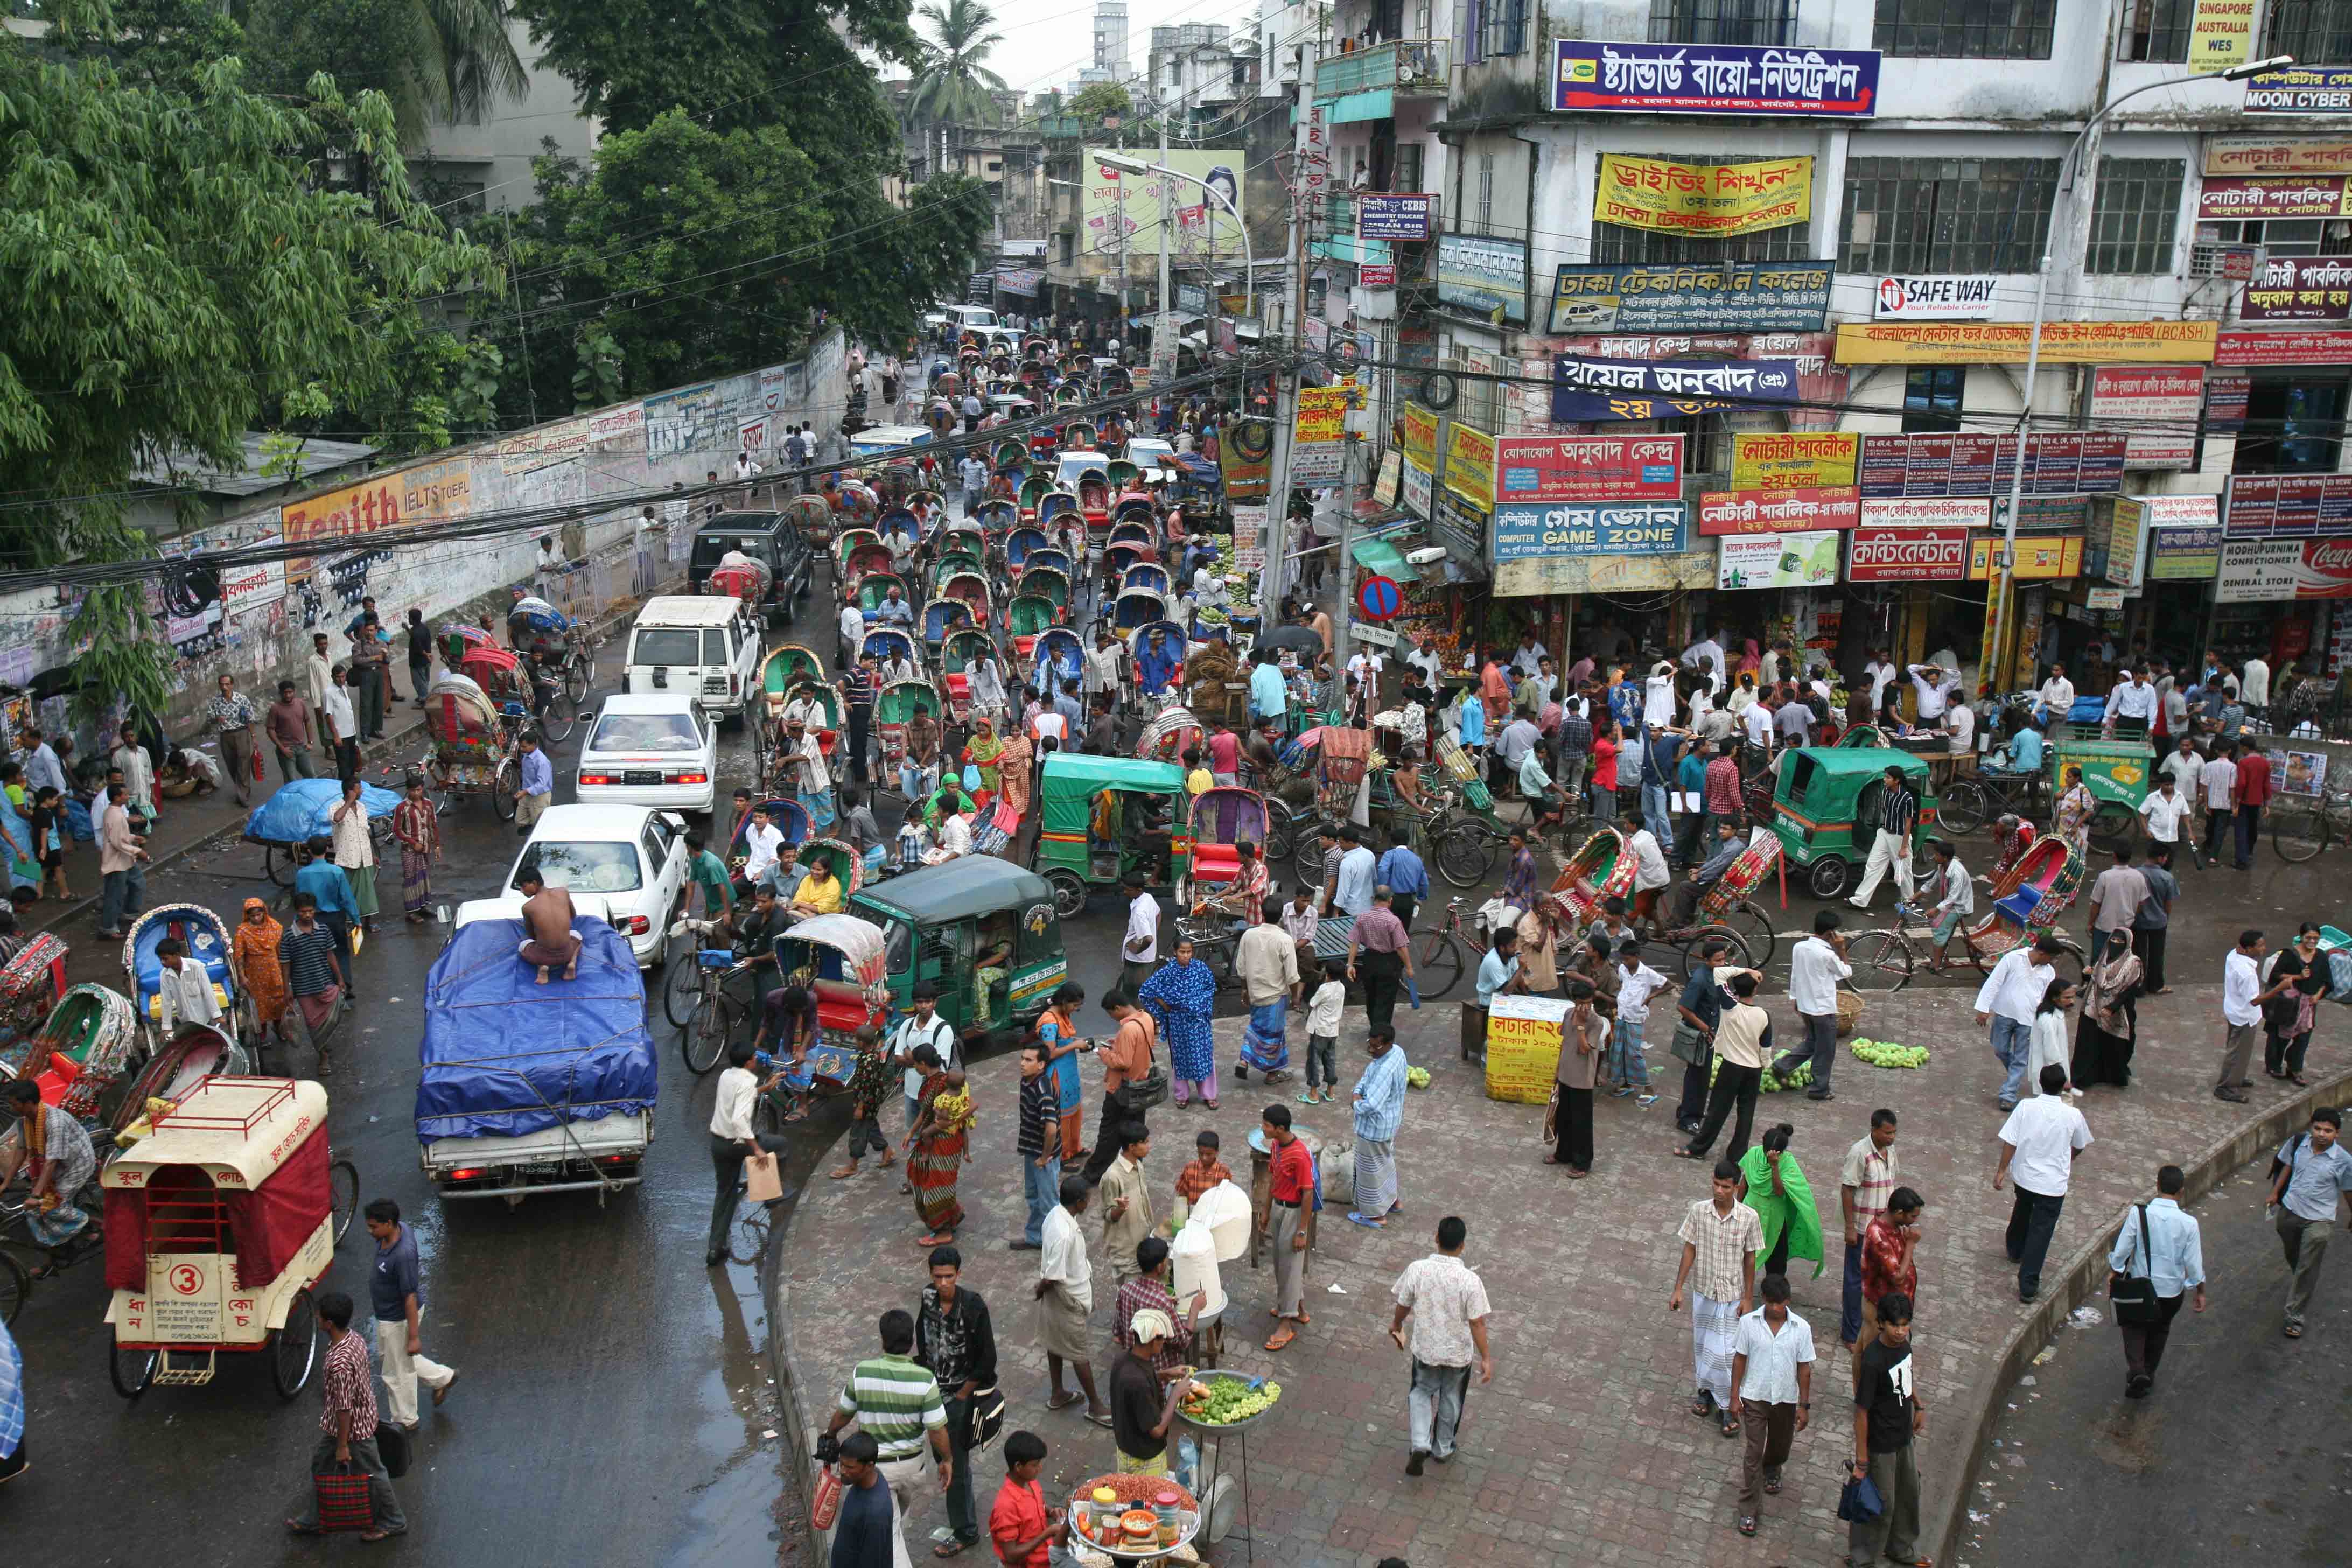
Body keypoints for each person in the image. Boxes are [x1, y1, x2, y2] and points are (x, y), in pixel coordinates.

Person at [825, 1308, 954, 1561]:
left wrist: (830, 1434)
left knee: (890, 1534)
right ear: (911, 1342)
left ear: (883, 1340)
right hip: (912, 1471)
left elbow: (844, 1413)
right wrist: (947, 1460)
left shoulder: (863, 1372)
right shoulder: (925, 1380)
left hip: (876, 1470)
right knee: (893, 1521)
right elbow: (937, 1431)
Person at [282, 1292, 405, 1541]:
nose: (317, 1318)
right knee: (321, 1465)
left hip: (352, 1430)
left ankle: (394, 1520)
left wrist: (342, 1445)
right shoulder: (353, 1338)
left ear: (329, 1323)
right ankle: (316, 1518)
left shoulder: (339, 1363)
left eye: (319, 1316)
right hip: (355, 1420)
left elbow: (344, 1408)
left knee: (374, 1472)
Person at [1389, 1215, 1494, 1476]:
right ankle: (1443, 1448)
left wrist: (1397, 1325)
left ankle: (1420, 1442)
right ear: (1463, 1246)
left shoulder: (1418, 1269)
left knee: (1421, 1392)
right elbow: (1477, 1323)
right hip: (1458, 1355)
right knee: (1451, 1398)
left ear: (1436, 1238)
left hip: (1426, 1349)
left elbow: (1403, 1303)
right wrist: (1486, 1358)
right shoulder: (1470, 1281)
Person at [914, 1245, 998, 1557]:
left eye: (949, 1277)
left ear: (958, 1275)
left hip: (960, 1398)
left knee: (956, 1464)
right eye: (938, 1277)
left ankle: (966, 1531)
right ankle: (962, 1511)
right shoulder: (927, 1298)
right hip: (933, 1393)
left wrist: (963, 1395)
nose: (943, 1283)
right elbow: (922, 1338)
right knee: (945, 1457)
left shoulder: (973, 1306)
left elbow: (988, 1358)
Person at [1670, 1158, 1762, 1438]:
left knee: (1725, 1354)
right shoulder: (1699, 1212)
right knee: (1703, 1347)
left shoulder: (1749, 1218)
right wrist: (1678, 1288)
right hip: (1704, 1293)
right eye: (1716, 1184)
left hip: (1733, 1297)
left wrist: (1748, 1297)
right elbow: (1690, 1250)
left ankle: (1727, 1406)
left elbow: (1750, 1259)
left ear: (1737, 1187)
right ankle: (1706, 1392)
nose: (1719, 1191)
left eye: (1726, 1187)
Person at [1995, 1064, 2094, 1302]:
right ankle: (2028, 1284)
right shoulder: (2073, 1115)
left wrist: (2001, 1171)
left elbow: (2011, 1141)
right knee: (2041, 1232)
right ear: (2063, 1087)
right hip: (2053, 1185)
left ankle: (2015, 1249)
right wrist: (2068, 1158)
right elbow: (2080, 1145)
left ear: (2040, 1083)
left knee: (2022, 1209)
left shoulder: (2025, 1107)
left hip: (2025, 1177)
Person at [2109, 1164, 2206, 1398]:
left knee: (2133, 1326)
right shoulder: (2190, 1224)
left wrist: (2115, 1271)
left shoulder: (2139, 1214)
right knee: (2160, 1331)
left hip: (2141, 1288)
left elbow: (2122, 1250)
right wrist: (2200, 1290)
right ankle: (2148, 1373)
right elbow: (2194, 1265)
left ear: (2157, 1185)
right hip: (2171, 1293)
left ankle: (2137, 1370)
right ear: (2181, 1192)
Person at [1728, 1273, 1814, 1541]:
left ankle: (1774, 1467)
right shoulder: (1748, 1324)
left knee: (1780, 1445)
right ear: (1763, 1299)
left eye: (1780, 1303)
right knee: (1753, 1452)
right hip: (1754, 1397)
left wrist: (1804, 1405)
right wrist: (1734, 1396)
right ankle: (1749, 1509)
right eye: (1770, 1302)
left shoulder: (1801, 1329)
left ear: (1788, 1301)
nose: (1775, 1308)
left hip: (1786, 1400)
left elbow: (1804, 1369)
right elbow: (1740, 1359)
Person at [363, 1198, 457, 1431]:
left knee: (396, 1372)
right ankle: (443, 1378)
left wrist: (414, 1336)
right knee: (400, 1358)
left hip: (398, 1319)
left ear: (389, 1223)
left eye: (374, 1227)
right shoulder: (398, 1230)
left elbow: (410, 1298)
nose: (370, 1231)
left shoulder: (402, 1256)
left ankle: (406, 1420)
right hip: (390, 1317)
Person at [1846, 1291, 1924, 1568]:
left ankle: (1900, 1548)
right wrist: (1862, 1460)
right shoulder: (1873, 1361)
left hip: (1904, 1438)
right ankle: (1862, 1557)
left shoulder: (1905, 1347)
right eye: (1895, 1325)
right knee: (1881, 1503)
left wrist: (1919, 1406)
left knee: (1909, 1494)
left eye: (1905, 1325)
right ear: (1881, 1324)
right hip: (1881, 1445)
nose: (1901, 1331)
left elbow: (1906, 1376)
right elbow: (1862, 1412)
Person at [2271, 1106, 2352, 1339]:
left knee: (2307, 1265)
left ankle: (2295, 1315)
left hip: (2319, 1220)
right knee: (2295, 1256)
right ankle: (2303, 1281)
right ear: (2311, 1127)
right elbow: (2288, 1166)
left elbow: (2348, 1190)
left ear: (2337, 1134)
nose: (2322, 1134)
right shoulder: (2298, 1144)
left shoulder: (2344, 1161)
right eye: (2318, 1128)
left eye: (2328, 1131)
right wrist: (2275, 1193)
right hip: (2290, 1211)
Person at [707, 1039, 789, 1266]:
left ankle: (715, 1248)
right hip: (738, 1143)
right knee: (781, 1145)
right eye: (754, 1057)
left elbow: (742, 1095)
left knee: (725, 1194)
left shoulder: (726, 1075)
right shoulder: (747, 1081)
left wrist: (766, 1087)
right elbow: (740, 1121)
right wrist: (757, 1149)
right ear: (748, 1062)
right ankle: (772, 1196)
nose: (756, 1060)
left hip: (718, 1143)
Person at [1034, 1174, 1108, 1423]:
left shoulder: (1055, 1215)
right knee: (1079, 1353)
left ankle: (1058, 1393)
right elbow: (1053, 1276)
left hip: (1060, 1293)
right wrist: (1039, 1290)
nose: (1089, 1202)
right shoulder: (1065, 1233)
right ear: (1079, 1202)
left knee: (1054, 1341)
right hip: (1067, 1298)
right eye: (1087, 1199)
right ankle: (1096, 1406)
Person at [1676, 971, 1772, 1161]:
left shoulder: (1729, 1007)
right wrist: (1764, 1066)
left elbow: (1719, 973)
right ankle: (1737, 1155)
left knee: (1717, 1110)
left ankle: (1698, 1149)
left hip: (1732, 1068)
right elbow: (1766, 1047)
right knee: (1746, 1113)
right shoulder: (1764, 1015)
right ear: (1755, 990)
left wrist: (1747, 970)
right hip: (1754, 1070)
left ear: (1735, 989)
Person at [1, 1076, 97, 1264]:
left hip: (77, 1165)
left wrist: (36, 1196)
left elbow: (51, 1162)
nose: (11, 1109)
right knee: (34, 1212)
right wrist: (5, 1184)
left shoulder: (55, 1122)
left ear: (29, 1103)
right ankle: (62, 1247)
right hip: (57, 1166)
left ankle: (88, 1228)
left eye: (14, 1105)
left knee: (50, 1207)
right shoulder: (25, 1121)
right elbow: (21, 1152)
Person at [1975, 933, 2066, 1112]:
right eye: (2051, 957)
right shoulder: (2013, 959)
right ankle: (2016, 1075)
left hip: (2029, 1020)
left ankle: (2008, 1095)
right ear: (2042, 954)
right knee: (2000, 1050)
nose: (2052, 961)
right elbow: (1994, 982)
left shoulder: (2049, 972)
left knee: (2021, 1059)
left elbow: (2046, 997)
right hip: (2004, 1014)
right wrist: (1983, 1008)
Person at [1776, 909, 1850, 1099]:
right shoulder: (1827, 955)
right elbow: (1845, 972)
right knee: (1826, 1049)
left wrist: (1795, 997)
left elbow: (1795, 974)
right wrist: (1842, 950)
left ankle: (1782, 1066)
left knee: (1812, 1042)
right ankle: (1819, 1089)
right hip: (1823, 1010)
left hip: (1805, 1006)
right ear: (1831, 933)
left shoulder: (1799, 947)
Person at [1108, 1308, 1191, 1477]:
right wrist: (1175, 1395)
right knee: (1151, 1495)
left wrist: (1165, 1374)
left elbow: (1139, 1382)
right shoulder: (1137, 1383)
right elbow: (1157, 1430)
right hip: (1145, 1461)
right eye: (1162, 1339)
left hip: (1126, 1450)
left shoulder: (1123, 1358)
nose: (1164, 1343)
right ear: (1153, 1341)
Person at [1739, 1123, 1824, 1286]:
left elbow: (1779, 1191)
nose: (1767, 1155)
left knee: (1776, 1258)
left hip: (1774, 1217)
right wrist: (1737, 1205)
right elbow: (1745, 1182)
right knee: (1745, 1251)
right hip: (1750, 1210)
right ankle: (1740, 1286)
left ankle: (1773, 1289)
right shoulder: (1753, 1154)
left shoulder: (1788, 1163)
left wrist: (1775, 1167)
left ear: (1781, 1153)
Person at [1139, 941, 1217, 1109]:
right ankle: (1182, 1095)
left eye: (1189, 952)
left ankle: (1209, 1095)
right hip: (1178, 1023)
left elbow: (1210, 988)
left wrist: (1197, 1004)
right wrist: (1164, 1005)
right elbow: (1146, 990)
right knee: (1181, 1058)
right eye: (1182, 952)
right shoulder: (1167, 972)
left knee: (1203, 1057)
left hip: (1199, 1023)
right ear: (1175, 952)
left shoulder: (1201, 968)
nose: (1186, 956)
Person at [1261, 1103, 1313, 1351]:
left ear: (1280, 1129)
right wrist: (1266, 1210)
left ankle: (1286, 1323)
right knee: (1282, 1264)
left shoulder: (1300, 1155)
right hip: (1279, 1209)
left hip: (1294, 1214)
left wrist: (1302, 1231)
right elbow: (1274, 1178)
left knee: (1290, 1267)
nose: (1263, 1128)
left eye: (1267, 1125)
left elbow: (1308, 1194)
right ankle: (1298, 1310)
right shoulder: (1275, 1146)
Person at [907, 1056, 974, 1248]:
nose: (915, 1066)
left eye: (916, 1063)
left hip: (946, 1144)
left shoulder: (943, 1093)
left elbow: (940, 1116)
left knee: (938, 1187)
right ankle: (952, 1216)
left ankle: (943, 1231)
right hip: (950, 1140)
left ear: (923, 1064)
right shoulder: (958, 1090)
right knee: (934, 1180)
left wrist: (949, 1120)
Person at [988, 1430, 1080, 1568]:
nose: (1040, 1468)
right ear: (1018, 1467)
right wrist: (1047, 1534)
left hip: (1044, 1556)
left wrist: (1051, 1511)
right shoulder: (1006, 1507)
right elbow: (1011, 1555)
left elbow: (1038, 1507)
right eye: (1035, 1465)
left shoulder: (1030, 1482)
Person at [1350, 1026, 1409, 1228]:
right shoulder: (1397, 1052)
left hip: (1374, 1129)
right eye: (1370, 1044)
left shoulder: (1385, 1070)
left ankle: (1375, 1215)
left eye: (1376, 1047)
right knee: (1385, 1163)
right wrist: (1357, 1091)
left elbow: (1372, 1105)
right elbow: (1367, 1077)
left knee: (1370, 1172)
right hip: (1389, 1124)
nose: (1371, 1050)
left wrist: (1355, 1103)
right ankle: (1393, 1201)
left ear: (1388, 1044)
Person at [1235, 899, 1298, 1083]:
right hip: (1275, 996)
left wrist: (1244, 989)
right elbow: (1292, 976)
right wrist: (1296, 997)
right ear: (1281, 916)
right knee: (1273, 1035)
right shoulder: (1285, 940)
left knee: (1256, 1027)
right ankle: (1272, 1074)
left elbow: (1241, 967)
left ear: (1262, 914)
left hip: (1255, 993)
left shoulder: (1249, 935)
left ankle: (1244, 1059)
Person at [2264, 921, 2335, 1083]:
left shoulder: (2321, 956)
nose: (2312, 941)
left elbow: (2327, 981)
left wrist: (2318, 995)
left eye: (2316, 938)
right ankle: (2274, 1066)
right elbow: (2276, 975)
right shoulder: (2289, 955)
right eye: (2308, 938)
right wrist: (2298, 977)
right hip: (2288, 1004)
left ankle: (2295, 1068)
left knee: (2303, 1039)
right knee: (2280, 1037)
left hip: (2309, 1004)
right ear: (2301, 937)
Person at [2073, 928, 2143, 1089]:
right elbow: (2096, 980)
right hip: (2094, 1007)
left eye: (2120, 942)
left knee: (2116, 1044)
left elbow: (2130, 990)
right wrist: (2087, 975)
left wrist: (2113, 1008)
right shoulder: (2104, 959)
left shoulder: (2133, 963)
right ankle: (2085, 1077)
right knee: (2090, 1041)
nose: (2115, 944)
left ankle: (2114, 1075)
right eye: (2114, 940)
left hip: (2120, 1010)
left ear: (2128, 944)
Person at [1549, 980, 1605, 1177]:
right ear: (1574, 1001)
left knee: (1582, 1123)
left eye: (1589, 1003)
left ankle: (1582, 1164)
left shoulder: (1597, 1022)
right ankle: (1563, 1153)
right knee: (1563, 1118)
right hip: (1565, 1075)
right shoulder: (1568, 1014)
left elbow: (1584, 1049)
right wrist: (1557, 1071)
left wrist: (1581, 1025)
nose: (1586, 1007)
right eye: (1582, 1003)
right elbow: (1565, 1042)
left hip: (1582, 1080)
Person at [1846, 765, 1917, 912]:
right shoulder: (1885, 792)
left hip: (1899, 837)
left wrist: (1904, 847)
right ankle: (1860, 900)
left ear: (1897, 780)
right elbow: (1886, 810)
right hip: (1884, 833)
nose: (1884, 780)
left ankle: (1909, 901)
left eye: (1888, 777)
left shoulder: (1907, 798)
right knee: (1873, 866)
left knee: (1904, 871)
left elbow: (1908, 823)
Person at [1347, 886, 1413, 1035]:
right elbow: (1401, 947)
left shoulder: (1362, 918)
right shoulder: (1393, 921)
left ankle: (1374, 1027)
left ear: (1373, 899)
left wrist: (1350, 964)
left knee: (1371, 996)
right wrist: (1409, 967)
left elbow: (1355, 942)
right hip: (1389, 962)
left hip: (1369, 960)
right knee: (1386, 1000)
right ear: (1390, 901)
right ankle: (1380, 1033)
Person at [1097, 1121, 1156, 1286]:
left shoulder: (1138, 1165)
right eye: (1145, 1142)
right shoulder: (1112, 1177)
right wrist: (1120, 1210)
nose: (1149, 1146)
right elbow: (1108, 1215)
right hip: (1126, 1252)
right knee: (1129, 1296)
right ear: (1132, 1147)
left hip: (1143, 1244)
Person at [2217, 927, 2266, 1103]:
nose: (2264, 949)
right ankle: (2226, 1087)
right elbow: (2254, 1001)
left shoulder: (2233, 955)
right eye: (2260, 946)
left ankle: (2237, 1077)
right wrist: (2279, 989)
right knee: (2237, 1052)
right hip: (2244, 1016)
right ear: (2248, 949)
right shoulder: (2246, 973)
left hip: (2234, 1011)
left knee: (2240, 1051)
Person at [94, 781, 147, 940]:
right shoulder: (115, 816)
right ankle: (108, 927)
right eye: (125, 795)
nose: (127, 797)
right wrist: (139, 851)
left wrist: (133, 837)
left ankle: (130, 912)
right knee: (115, 895)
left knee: (138, 883)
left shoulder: (115, 812)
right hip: (117, 862)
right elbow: (118, 842)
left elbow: (120, 837)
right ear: (117, 797)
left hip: (125, 859)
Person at [330, 775, 379, 935]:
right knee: (347, 893)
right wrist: (349, 802)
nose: (362, 791)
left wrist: (372, 853)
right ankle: (349, 922)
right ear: (350, 792)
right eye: (359, 789)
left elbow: (366, 832)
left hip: (365, 856)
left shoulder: (362, 807)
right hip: (347, 858)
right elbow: (337, 819)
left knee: (367, 892)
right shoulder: (335, 807)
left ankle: (368, 922)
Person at [1922, 838, 1974, 972]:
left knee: (1938, 928)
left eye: (1937, 855)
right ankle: (1944, 960)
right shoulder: (1942, 866)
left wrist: (1936, 910)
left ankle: (1937, 963)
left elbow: (1953, 898)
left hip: (1959, 906)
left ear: (1945, 858)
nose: (1934, 857)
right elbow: (1931, 884)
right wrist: (1913, 898)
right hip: (1949, 904)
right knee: (1945, 932)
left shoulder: (1956, 873)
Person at [1119, 871, 1159, 996]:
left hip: (1137, 960)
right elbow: (1159, 913)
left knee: (1134, 994)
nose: (1125, 892)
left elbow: (1148, 939)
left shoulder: (1139, 912)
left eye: (1129, 890)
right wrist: (1153, 932)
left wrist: (1137, 950)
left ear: (1139, 890)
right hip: (1149, 956)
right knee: (1142, 990)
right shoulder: (1148, 898)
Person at [514, 731, 553, 832]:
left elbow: (542, 784)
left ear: (534, 745)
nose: (521, 749)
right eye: (521, 746)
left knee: (539, 824)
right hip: (527, 794)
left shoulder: (542, 761)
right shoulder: (526, 755)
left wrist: (525, 792)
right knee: (520, 820)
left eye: (524, 747)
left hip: (540, 796)